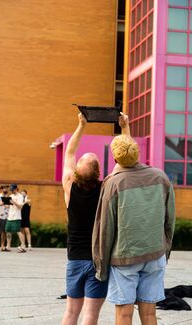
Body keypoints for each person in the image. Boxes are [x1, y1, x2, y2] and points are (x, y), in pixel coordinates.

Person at [92, 134, 176, 325]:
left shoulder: (113, 183)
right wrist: (165, 250)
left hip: (124, 258)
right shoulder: (161, 177)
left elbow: (105, 228)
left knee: (123, 315)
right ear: (138, 153)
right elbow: (170, 219)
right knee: (149, 315)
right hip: (155, 254)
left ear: (114, 159)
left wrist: (101, 266)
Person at [61, 112, 130, 325]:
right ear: (99, 172)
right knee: (91, 315)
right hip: (98, 260)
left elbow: (69, 151)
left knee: (71, 312)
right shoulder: (106, 188)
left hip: (75, 258)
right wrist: (124, 128)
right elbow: (125, 163)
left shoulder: (69, 187)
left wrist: (81, 125)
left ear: (75, 172)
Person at [5, 184, 26, 253]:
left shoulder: (20, 196)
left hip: (17, 217)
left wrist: (13, 202)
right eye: (11, 190)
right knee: (8, 231)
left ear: (16, 189)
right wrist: (6, 203)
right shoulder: (11, 196)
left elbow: (20, 207)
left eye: (13, 190)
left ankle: (23, 246)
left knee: (18, 231)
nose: (12, 191)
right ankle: (8, 246)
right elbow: (8, 206)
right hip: (10, 217)